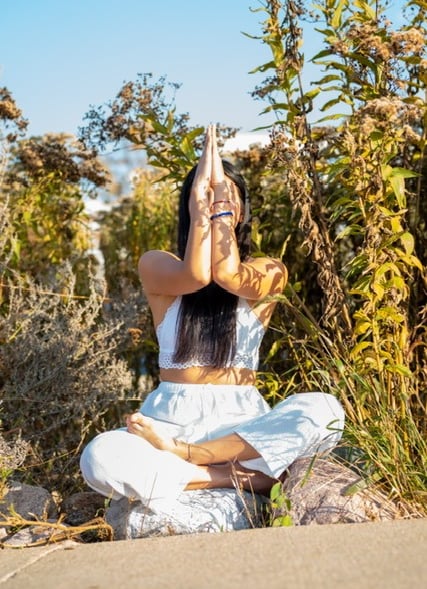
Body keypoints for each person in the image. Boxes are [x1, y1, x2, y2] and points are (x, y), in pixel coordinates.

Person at [80, 125, 344, 515]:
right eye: (206, 196)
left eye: (229, 197)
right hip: (169, 421)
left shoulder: (268, 270)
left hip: (241, 429)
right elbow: (197, 275)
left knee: (326, 411)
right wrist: (202, 210)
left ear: (243, 210)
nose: (219, 203)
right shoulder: (157, 264)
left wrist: (218, 211)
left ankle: (191, 463)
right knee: (99, 457)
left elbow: (228, 275)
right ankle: (244, 478)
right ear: (190, 207)